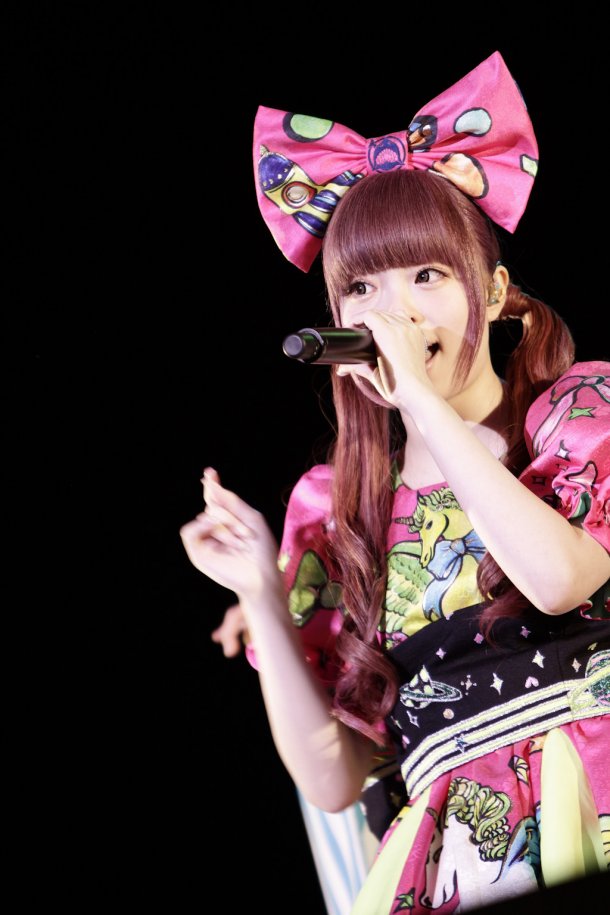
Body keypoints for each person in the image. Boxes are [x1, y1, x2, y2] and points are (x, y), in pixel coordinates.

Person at [181, 51, 610, 913]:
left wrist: (420, 398)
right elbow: (335, 777)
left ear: (494, 291)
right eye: (363, 287)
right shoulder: (336, 513)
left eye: (426, 275)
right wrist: (262, 592)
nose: (395, 312)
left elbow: (560, 578)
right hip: (450, 856)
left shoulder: (574, 413)